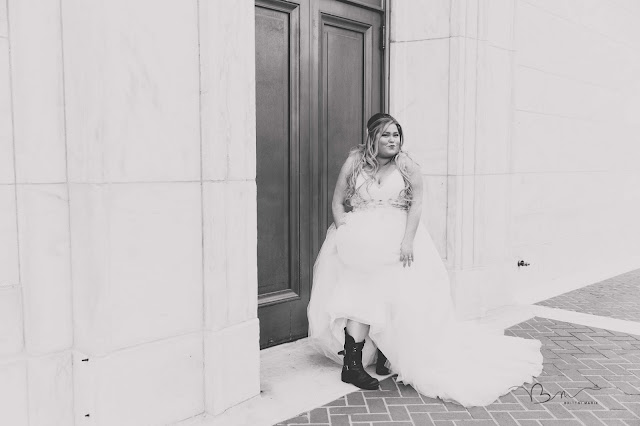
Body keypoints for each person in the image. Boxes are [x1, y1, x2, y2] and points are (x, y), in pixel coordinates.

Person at [307, 113, 543, 407]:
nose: (393, 140)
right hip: (360, 242)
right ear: (372, 138)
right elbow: (337, 200)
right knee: (360, 295)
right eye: (386, 135)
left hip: (397, 240)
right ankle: (351, 367)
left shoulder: (406, 165)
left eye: (396, 134)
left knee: (397, 296)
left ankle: (385, 354)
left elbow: (417, 203)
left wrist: (407, 240)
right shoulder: (355, 162)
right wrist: (344, 230)